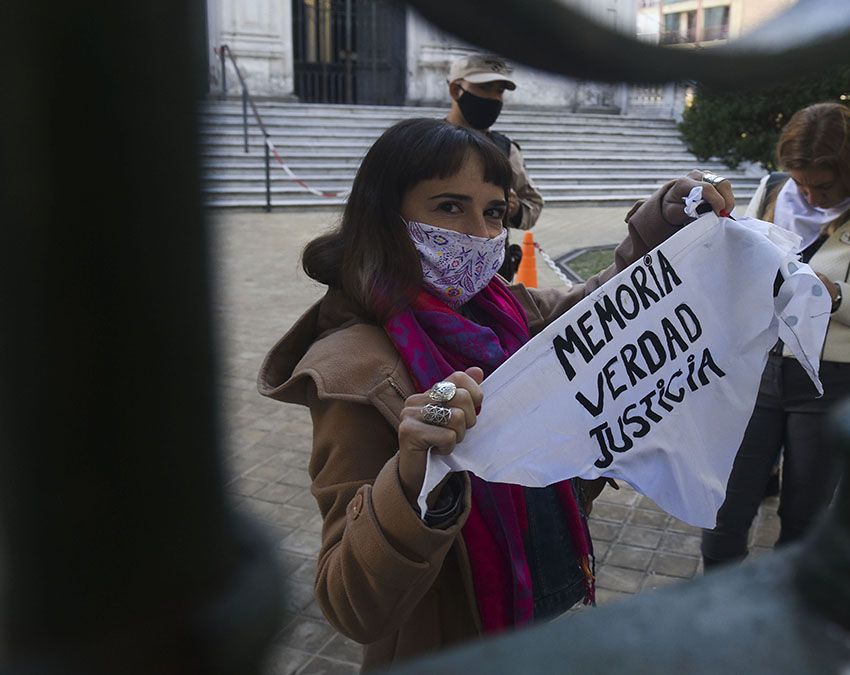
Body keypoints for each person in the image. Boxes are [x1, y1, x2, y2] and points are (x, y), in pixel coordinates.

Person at [258, 117, 733, 668]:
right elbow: (350, 605)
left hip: (539, 591)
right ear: (384, 217)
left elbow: (603, 310)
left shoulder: (504, 307)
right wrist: (412, 474)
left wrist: (667, 220)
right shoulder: (352, 373)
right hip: (450, 642)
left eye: (494, 213)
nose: (481, 235)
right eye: (448, 207)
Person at [701, 102, 850, 569]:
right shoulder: (773, 191)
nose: (809, 195)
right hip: (759, 370)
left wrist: (838, 298)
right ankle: (716, 610)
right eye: (800, 180)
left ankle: (786, 617)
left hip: (835, 384)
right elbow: (738, 259)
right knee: (724, 509)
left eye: (824, 185)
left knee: (804, 519)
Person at [445, 54, 545, 280]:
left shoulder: (506, 149)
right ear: (456, 90)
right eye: (485, 87)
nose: (492, 98)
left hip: (493, 275)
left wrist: (514, 208)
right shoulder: (423, 143)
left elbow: (534, 203)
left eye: (499, 91)